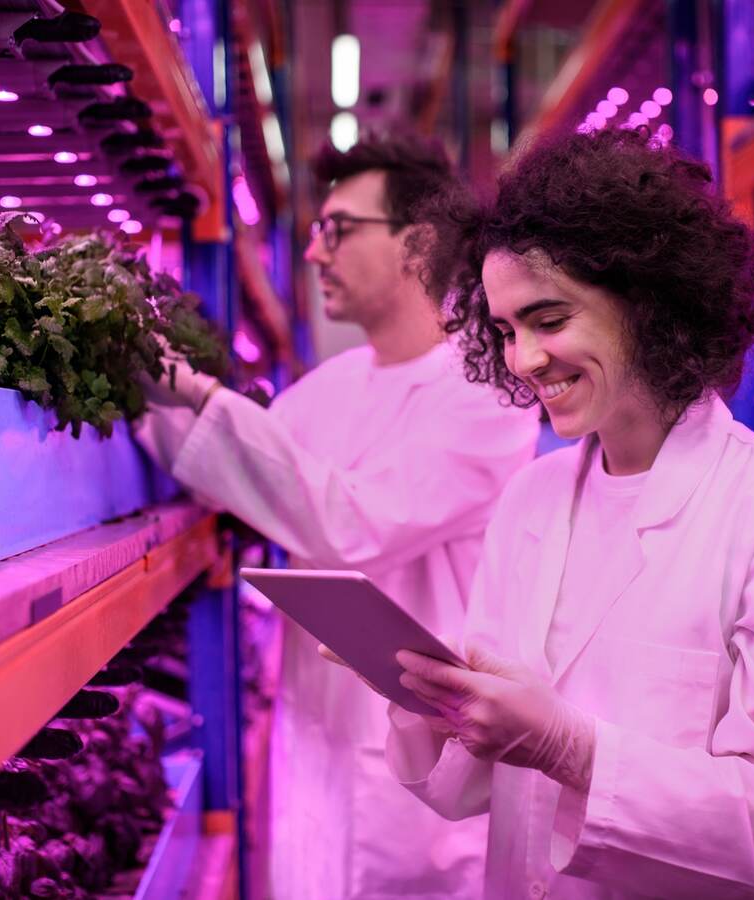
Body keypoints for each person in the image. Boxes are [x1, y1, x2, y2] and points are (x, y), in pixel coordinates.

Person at [361, 127, 754, 899]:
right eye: (506, 331)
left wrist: (567, 747)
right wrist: (442, 705)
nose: (522, 360)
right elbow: (473, 794)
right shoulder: (530, 501)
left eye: (550, 320)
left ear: (650, 304)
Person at [134, 134, 539, 899]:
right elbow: (235, 474)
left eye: (338, 229)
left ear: (416, 243)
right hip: (316, 740)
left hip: (421, 768)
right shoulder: (331, 386)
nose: (316, 252)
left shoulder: (485, 394)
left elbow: (349, 524)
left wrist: (195, 393)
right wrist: (136, 396)